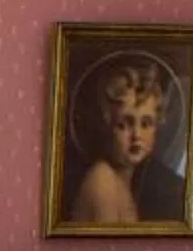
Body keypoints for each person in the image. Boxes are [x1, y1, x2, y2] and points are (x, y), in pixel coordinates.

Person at [66, 58, 180, 225]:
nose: (136, 135)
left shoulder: (126, 183)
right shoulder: (102, 181)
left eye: (146, 123)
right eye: (124, 124)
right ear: (107, 125)